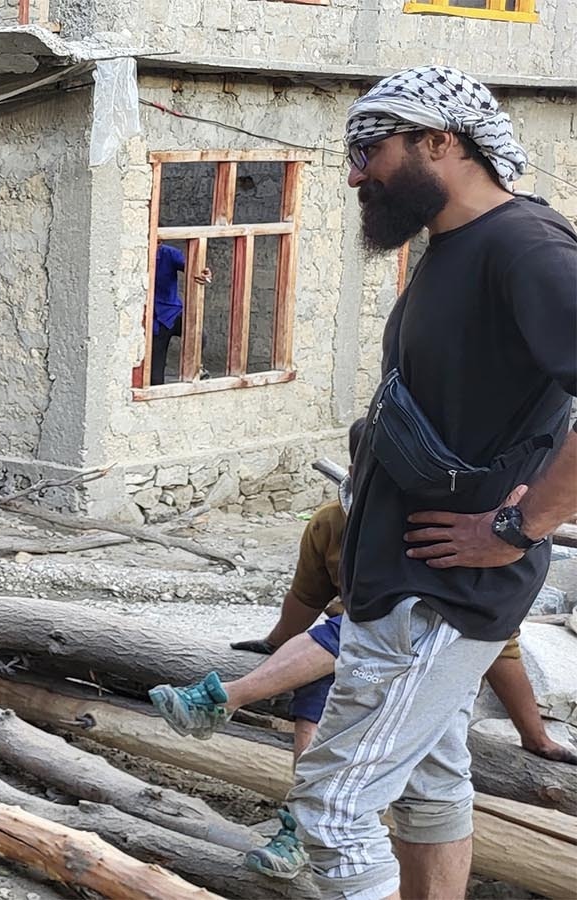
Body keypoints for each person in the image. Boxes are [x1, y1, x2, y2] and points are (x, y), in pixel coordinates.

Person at [283, 66, 577, 900]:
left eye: (369, 150)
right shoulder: (454, 248)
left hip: (441, 598)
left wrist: (519, 530)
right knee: (429, 791)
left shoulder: (528, 247)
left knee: (334, 807)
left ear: (441, 141)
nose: (353, 173)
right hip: (403, 587)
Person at [150, 430, 576, 880]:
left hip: (407, 658)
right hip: (354, 658)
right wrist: (276, 644)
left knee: (355, 798)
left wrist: (535, 735)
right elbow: (306, 593)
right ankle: (293, 824)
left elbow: (499, 644)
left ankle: (230, 702)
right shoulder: (333, 520)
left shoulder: (440, 529)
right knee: (330, 682)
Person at [149, 243, 211, 386]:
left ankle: (197, 367)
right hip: (154, 322)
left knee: (199, 334)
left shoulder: (169, 253)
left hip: (172, 312)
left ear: (160, 243)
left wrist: (203, 272)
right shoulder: (138, 255)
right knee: (155, 379)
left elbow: (192, 267)